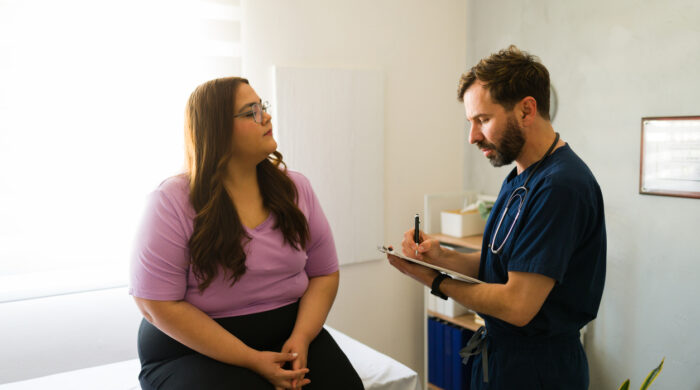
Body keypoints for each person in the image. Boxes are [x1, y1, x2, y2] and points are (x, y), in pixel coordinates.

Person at [386, 46, 606, 389]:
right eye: (470, 122)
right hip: (502, 359)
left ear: (526, 110)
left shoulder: (561, 186)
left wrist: (435, 281)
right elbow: (500, 262)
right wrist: (439, 257)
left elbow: (517, 305)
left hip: (539, 372)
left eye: (483, 120)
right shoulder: (520, 176)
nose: (472, 136)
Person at [130, 77, 364, 390]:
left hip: (289, 333)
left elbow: (323, 274)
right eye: (250, 111)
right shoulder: (171, 201)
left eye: (262, 107)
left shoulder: (296, 189)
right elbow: (155, 305)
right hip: (190, 350)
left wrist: (302, 337)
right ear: (218, 130)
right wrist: (251, 359)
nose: (266, 116)